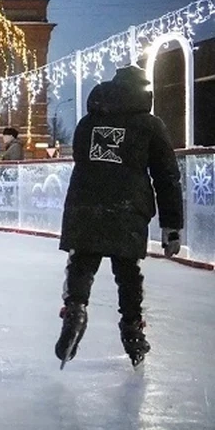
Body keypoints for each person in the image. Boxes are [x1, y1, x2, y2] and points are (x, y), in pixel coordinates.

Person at [55, 65, 183, 369]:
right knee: (127, 271)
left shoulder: (89, 121)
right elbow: (167, 176)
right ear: (143, 92)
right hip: (128, 207)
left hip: (85, 202)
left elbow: (80, 157)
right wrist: (172, 225)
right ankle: (132, 329)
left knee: (82, 262)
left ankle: (75, 311)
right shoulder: (150, 126)